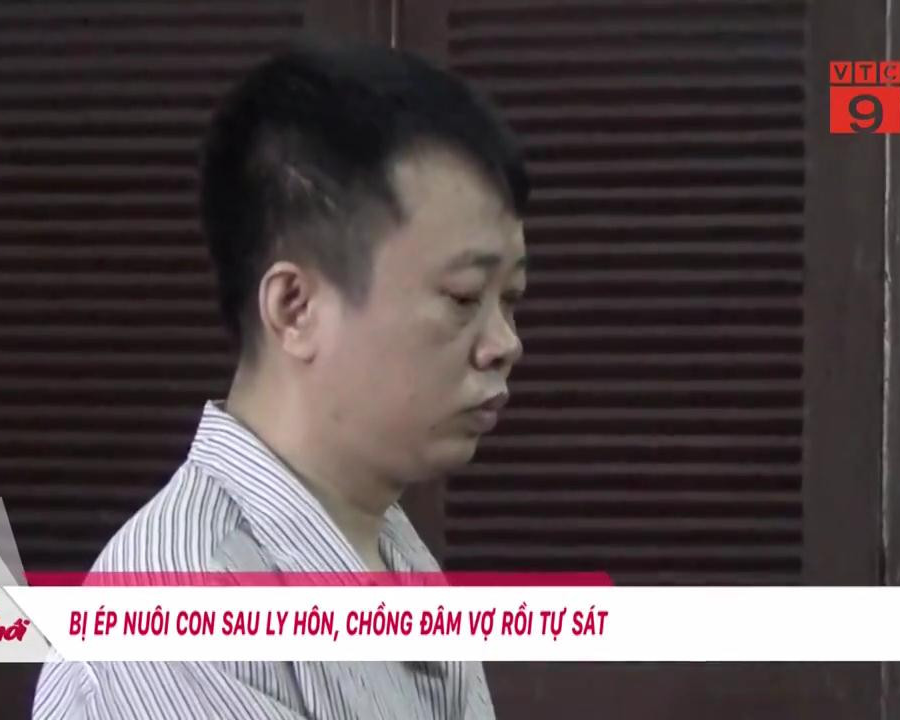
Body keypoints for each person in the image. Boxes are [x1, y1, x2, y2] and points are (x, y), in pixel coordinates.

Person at [32, 40, 528, 720]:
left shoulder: (383, 542)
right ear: (294, 308)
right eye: (464, 297)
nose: (504, 344)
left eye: (512, 299)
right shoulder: (181, 620)